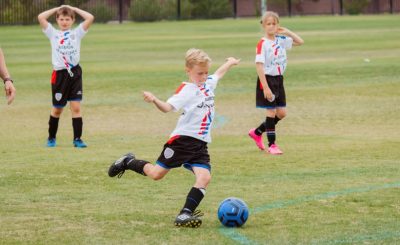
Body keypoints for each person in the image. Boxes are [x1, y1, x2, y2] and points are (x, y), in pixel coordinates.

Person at [108, 49, 240, 228]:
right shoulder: (187, 90)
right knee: (156, 174)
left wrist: (230, 62)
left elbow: (218, 74)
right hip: (182, 141)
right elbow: (168, 107)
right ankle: (127, 161)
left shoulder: (208, 83)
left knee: (204, 178)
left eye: (205, 72)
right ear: (188, 71)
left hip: (200, 144)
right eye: (199, 73)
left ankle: (184, 214)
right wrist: (155, 99)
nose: (203, 76)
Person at [38, 5, 94, 148]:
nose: (64, 22)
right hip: (59, 74)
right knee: (57, 109)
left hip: (75, 73)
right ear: (57, 20)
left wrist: (73, 8)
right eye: (61, 19)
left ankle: (77, 139)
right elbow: (41, 17)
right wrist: (58, 7)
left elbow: (90, 18)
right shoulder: (53, 33)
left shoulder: (77, 33)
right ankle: (51, 138)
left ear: (72, 20)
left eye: (67, 19)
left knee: (76, 107)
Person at [248, 11, 303, 155]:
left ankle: (257, 132)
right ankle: (272, 145)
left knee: (282, 113)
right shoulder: (262, 44)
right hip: (267, 80)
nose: (271, 27)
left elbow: (300, 42)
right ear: (263, 26)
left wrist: (287, 32)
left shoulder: (280, 39)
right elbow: (259, 66)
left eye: (274, 23)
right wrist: (265, 87)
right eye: (268, 24)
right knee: (271, 112)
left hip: (279, 80)